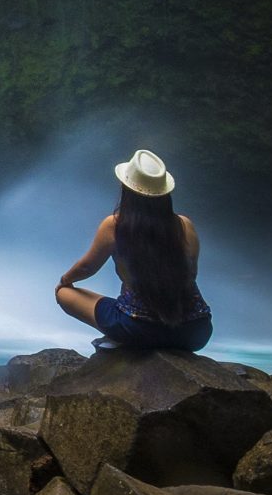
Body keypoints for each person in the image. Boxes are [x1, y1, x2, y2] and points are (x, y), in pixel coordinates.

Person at [54, 147, 213, 351]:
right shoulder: (185, 226)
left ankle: (121, 339)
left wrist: (64, 281)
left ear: (127, 189)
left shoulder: (115, 225)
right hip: (196, 332)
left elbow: (86, 268)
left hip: (140, 329)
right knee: (119, 304)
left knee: (65, 294)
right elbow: (191, 273)